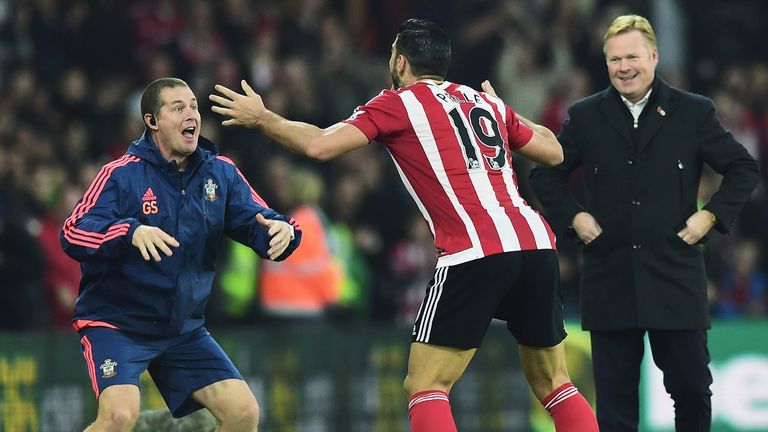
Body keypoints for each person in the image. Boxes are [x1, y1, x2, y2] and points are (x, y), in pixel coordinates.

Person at [210, 18, 598, 432]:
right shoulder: (481, 101)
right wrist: (504, 109)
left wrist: (263, 118)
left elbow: (319, 145)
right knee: (555, 384)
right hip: (535, 243)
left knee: (426, 385)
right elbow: (555, 152)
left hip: (475, 248)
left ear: (398, 62)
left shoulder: (398, 102)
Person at [529, 15, 760, 431]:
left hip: (675, 275)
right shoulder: (585, 116)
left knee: (692, 390)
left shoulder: (693, 111)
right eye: (614, 59)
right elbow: (545, 174)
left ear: (653, 56)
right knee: (615, 408)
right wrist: (574, 216)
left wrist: (710, 216)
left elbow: (743, 167)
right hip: (609, 278)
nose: (624, 67)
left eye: (632, 56)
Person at [61, 77, 302, 432]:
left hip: (182, 329)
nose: (191, 114)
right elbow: (72, 231)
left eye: (193, 106)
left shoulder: (219, 173)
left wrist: (285, 231)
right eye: (178, 108)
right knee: (118, 418)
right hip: (117, 324)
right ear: (152, 122)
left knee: (243, 413)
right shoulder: (120, 175)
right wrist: (130, 231)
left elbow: (262, 221)